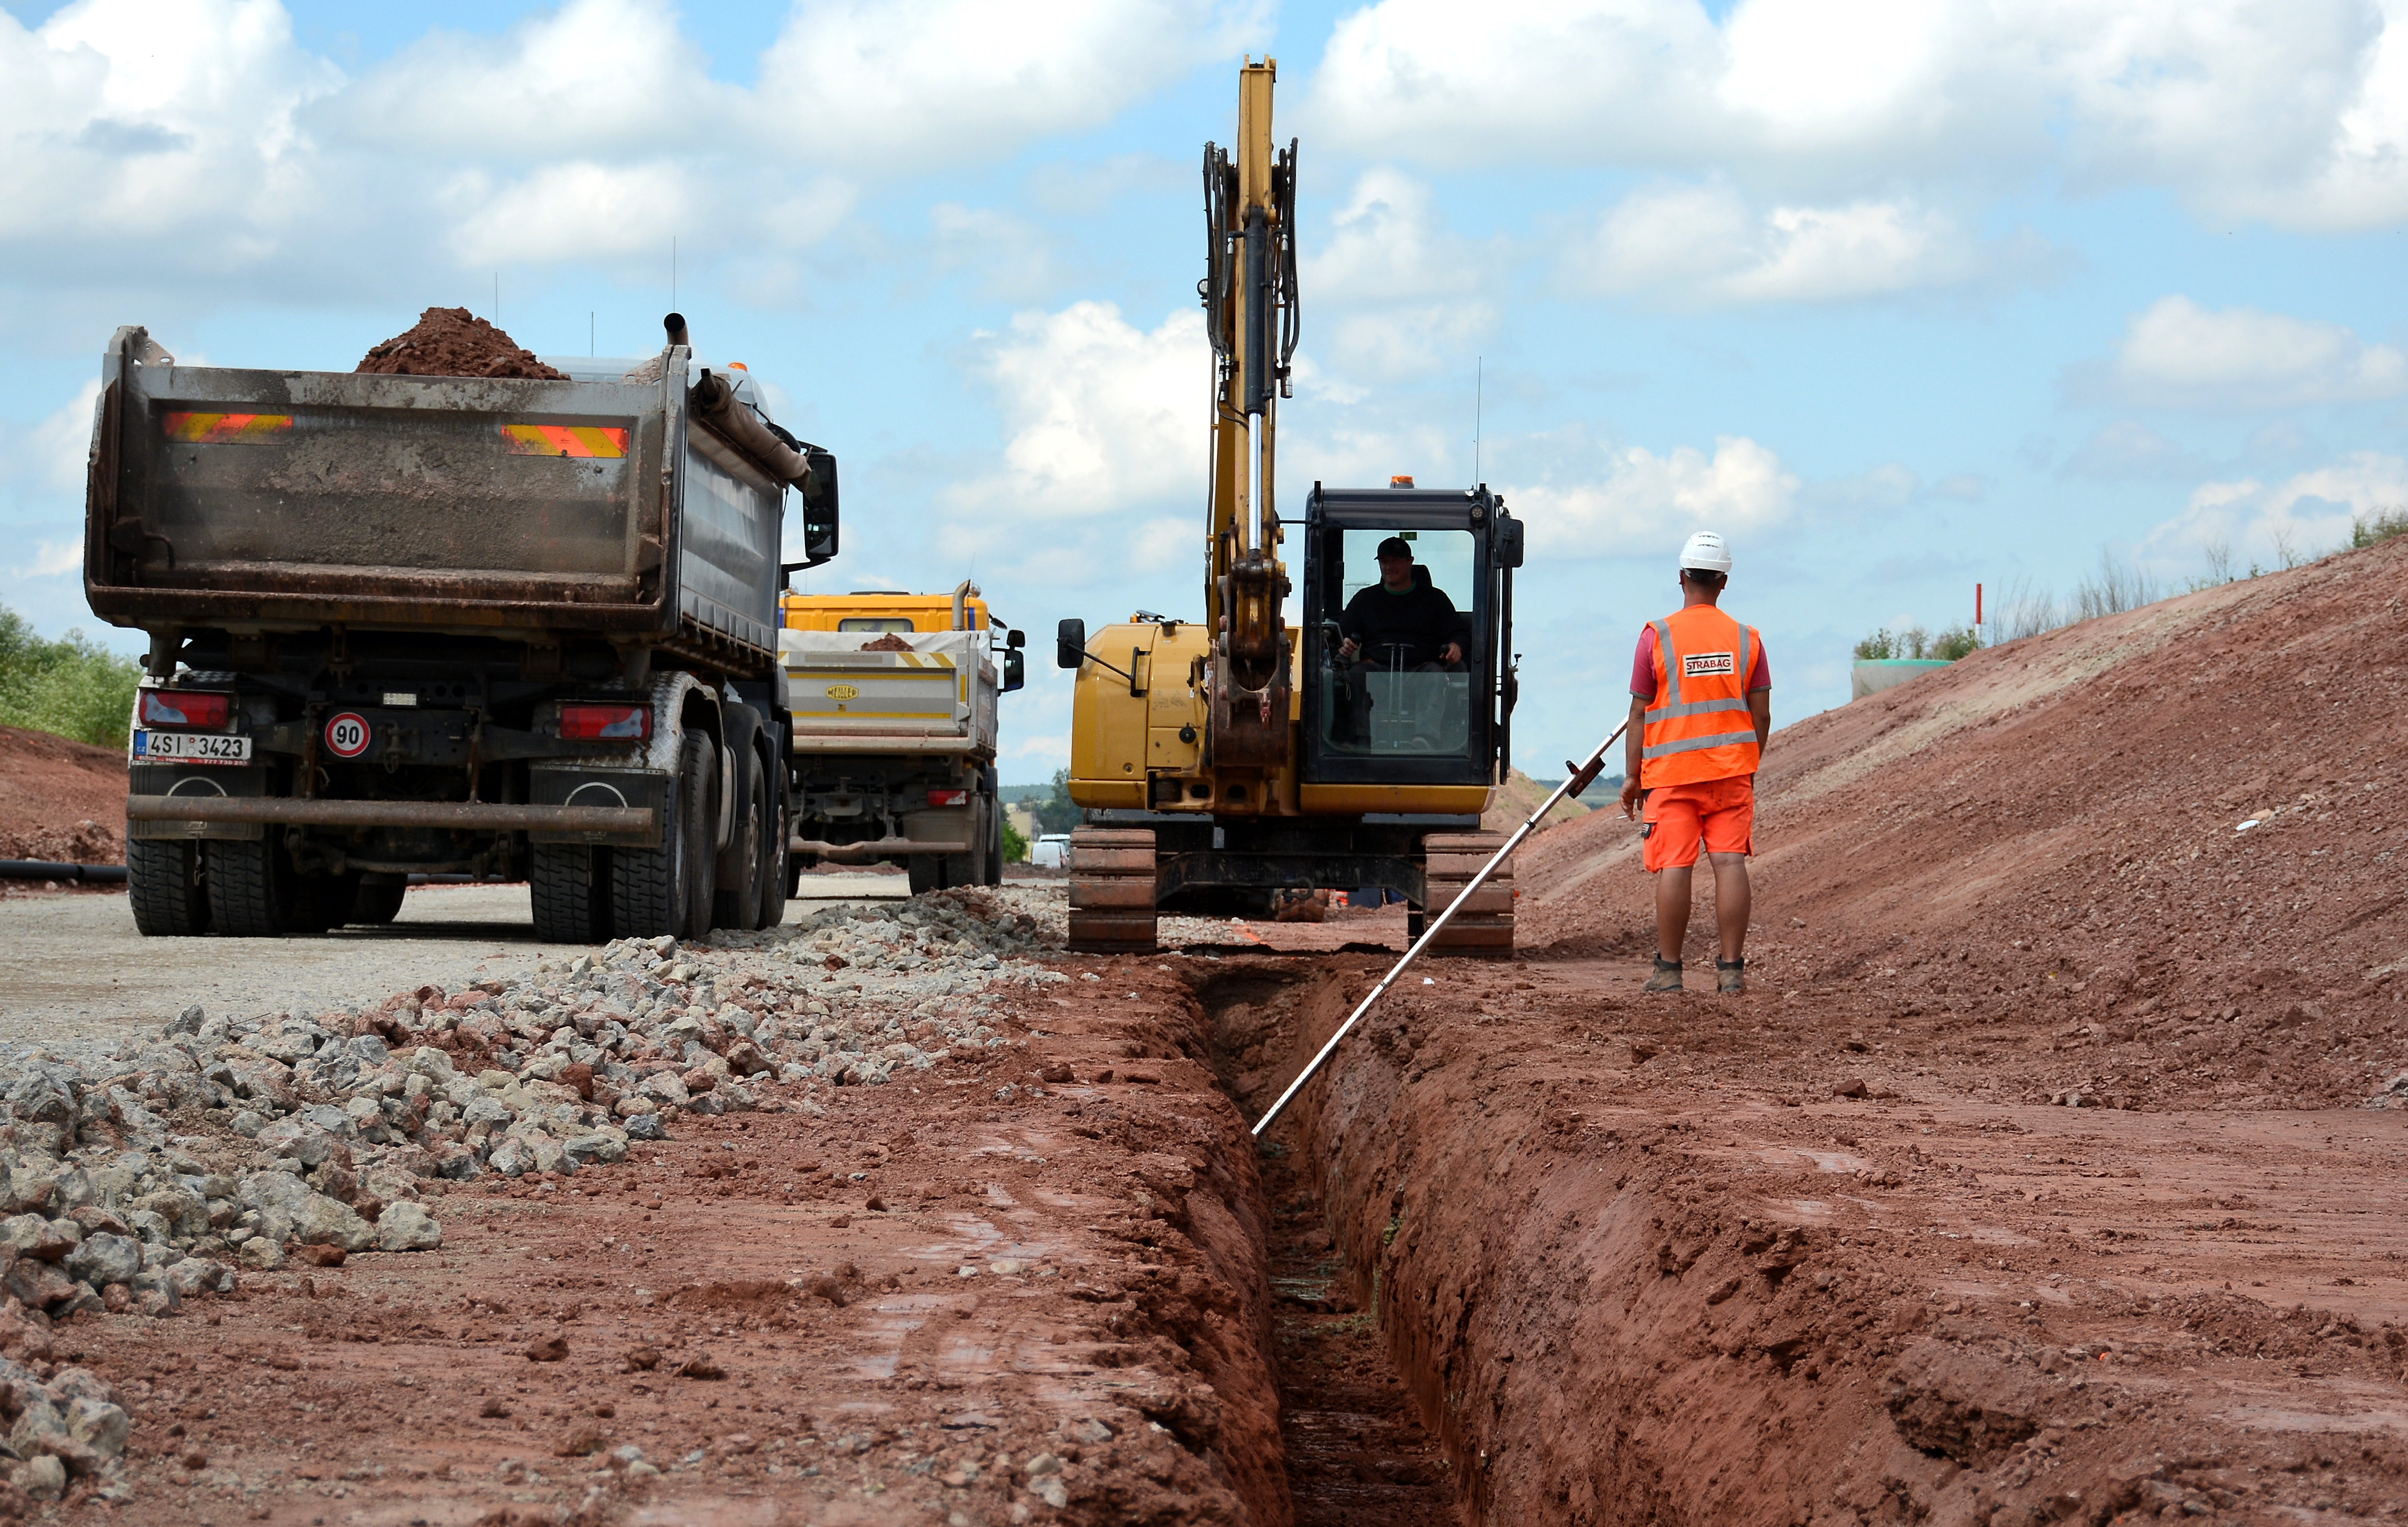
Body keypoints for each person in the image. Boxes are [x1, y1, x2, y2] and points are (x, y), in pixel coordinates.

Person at [1618, 530, 1772, 994]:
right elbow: (1761, 712)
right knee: (1729, 864)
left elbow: (1639, 713)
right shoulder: (1747, 639)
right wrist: (1747, 760)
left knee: (1675, 868)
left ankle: (1668, 972)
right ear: (1723, 581)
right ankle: (1731, 972)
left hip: (1670, 775)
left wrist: (1631, 776)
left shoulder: (1655, 637)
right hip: (1730, 773)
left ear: (1681, 577)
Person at [1337, 537, 1469, 671]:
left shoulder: (1436, 599)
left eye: (1396, 561)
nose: (1389, 567)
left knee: (1435, 673)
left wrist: (1456, 647)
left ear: (1410, 562)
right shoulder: (1365, 599)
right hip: (1376, 669)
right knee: (1358, 672)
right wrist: (1345, 644)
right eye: (1385, 562)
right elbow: (1343, 632)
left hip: (1422, 670)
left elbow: (1459, 632)